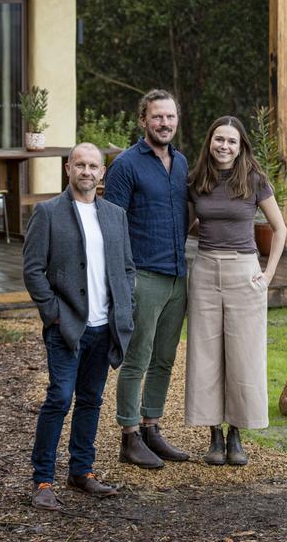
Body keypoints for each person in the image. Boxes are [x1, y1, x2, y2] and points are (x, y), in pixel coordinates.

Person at [23, 142, 136, 510]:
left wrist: (126, 307)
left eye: (93, 166)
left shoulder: (115, 215)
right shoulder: (49, 213)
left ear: (102, 173)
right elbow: (33, 270)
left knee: (91, 399)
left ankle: (82, 471)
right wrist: (54, 312)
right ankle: (42, 480)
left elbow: (127, 268)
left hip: (105, 328)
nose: (87, 172)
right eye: (80, 165)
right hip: (68, 327)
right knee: (59, 398)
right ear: (68, 169)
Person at [185, 116, 286, 465]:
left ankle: (236, 435)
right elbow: (183, 227)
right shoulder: (196, 181)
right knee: (206, 354)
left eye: (231, 141)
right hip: (205, 270)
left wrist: (268, 274)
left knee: (243, 354)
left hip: (244, 270)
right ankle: (213, 433)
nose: (224, 146)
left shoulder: (255, 180)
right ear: (209, 142)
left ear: (241, 146)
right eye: (219, 140)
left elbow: (280, 228)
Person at [103, 89, 190, 468]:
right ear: (143, 121)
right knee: (137, 358)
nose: (164, 123)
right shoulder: (126, 165)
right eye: (157, 117)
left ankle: (152, 426)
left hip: (177, 275)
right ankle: (129, 435)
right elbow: (112, 225)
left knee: (165, 358)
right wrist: (122, 280)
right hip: (143, 275)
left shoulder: (182, 163)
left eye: (170, 117)